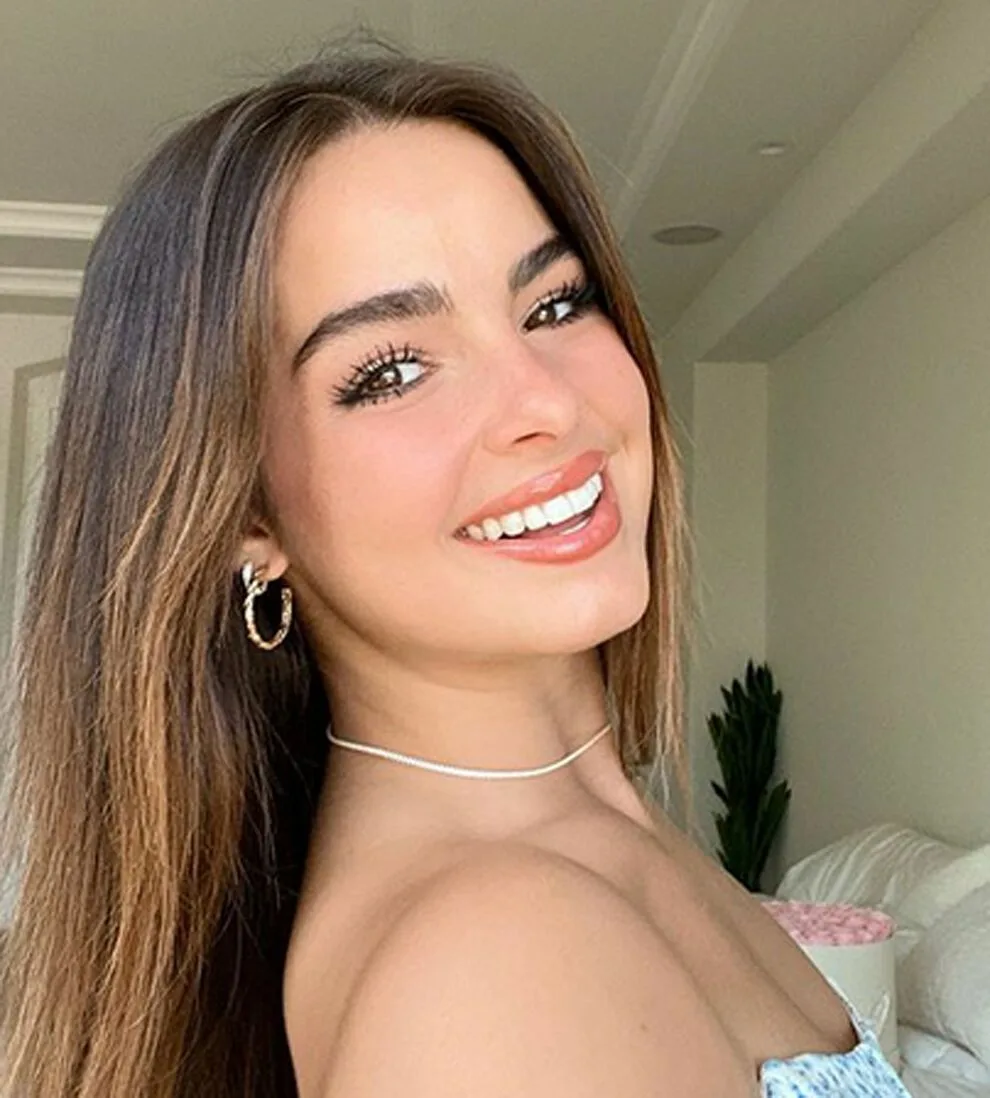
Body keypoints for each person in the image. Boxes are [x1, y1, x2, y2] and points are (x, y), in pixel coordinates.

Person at [0, 37, 911, 1098]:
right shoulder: (488, 964)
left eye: (555, 304)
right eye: (392, 370)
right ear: (244, 513)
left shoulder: (591, 838)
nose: (547, 401)